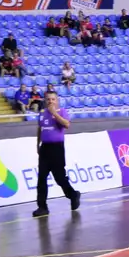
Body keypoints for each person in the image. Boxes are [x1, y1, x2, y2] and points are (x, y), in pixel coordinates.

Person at [33, 90, 81, 218]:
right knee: (41, 178)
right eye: (48, 99)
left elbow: (66, 124)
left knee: (60, 178)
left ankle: (73, 195)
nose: (50, 101)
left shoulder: (62, 111)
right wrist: (38, 144)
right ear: (45, 100)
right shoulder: (42, 113)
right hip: (45, 148)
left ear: (57, 100)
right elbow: (40, 129)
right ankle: (42, 207)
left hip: (57, 148)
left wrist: (54, 113)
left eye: (53, 99)